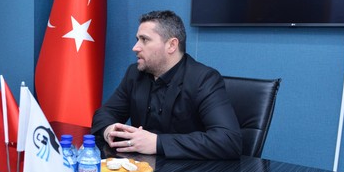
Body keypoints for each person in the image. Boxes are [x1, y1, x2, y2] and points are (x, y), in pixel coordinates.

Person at [91, 10, 242, 159]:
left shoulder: (203, 79)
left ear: (171, 45)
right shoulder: (135, 74)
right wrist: (110, 130)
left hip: (188, 171)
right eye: (137, 39)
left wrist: (158, 143)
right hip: (141, 168)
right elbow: (104, 114)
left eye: (144, 40)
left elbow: (228, 140)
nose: (135, 47)